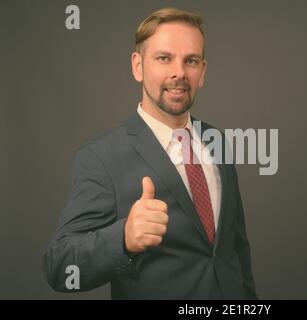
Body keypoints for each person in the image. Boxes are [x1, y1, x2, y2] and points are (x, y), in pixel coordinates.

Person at [42, 7, 258, 300]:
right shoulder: (101, 158)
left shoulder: (216, 140)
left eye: (190, 61)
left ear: (203, 71)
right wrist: (124, 237)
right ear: (138, 66)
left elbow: (236, 250)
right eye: (164, 58)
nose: (179, 72)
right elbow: (59, 264)